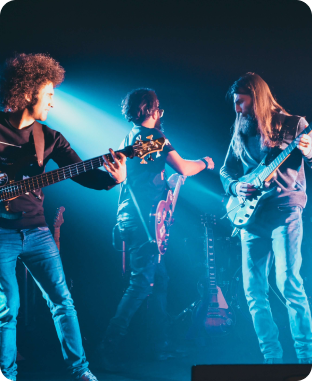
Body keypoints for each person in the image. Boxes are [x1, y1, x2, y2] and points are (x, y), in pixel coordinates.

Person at [0, 53, 126, 381]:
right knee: (7, 308)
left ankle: (82, 372)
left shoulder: (49, 137)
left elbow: (85, 175)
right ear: (28, 93)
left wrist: (114, 179)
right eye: (50, 95)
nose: (53, 103)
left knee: (62, 302)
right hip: (1, 234)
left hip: (38, 231)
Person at [95, 88, 214, 371]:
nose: (160, 112)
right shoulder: (154, 137)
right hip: (143, 222)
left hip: (134, 219)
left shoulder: (130, 138)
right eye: (157, 107)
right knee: (140, 285)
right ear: (149, 109)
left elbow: (147, 179)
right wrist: (205, 163)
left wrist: (167, 185)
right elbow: (184, 167)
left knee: (159, 282)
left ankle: (159, 347)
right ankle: (106, 349)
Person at [220, 72, 312, 364]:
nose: (237, 109)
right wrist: (236, 186)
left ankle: (305, 357)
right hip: (251, 218)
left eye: (241, 102)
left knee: (289, 282)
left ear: (256, 98)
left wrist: (310, 154)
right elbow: (226, 172)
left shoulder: (294, 125)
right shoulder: (241, 127)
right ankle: (272, 360)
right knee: (253, 290)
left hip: (285, 210)